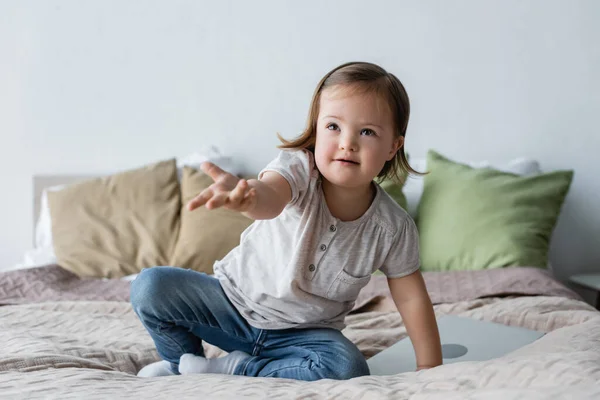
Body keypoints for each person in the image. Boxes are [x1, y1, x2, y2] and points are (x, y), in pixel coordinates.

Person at [131, 61, 442, 381]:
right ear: (316, 129)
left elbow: (411, 296)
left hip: (305, 336)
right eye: (333, 127)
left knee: (347, 366)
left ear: (393, 146)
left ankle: (236, 368)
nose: (347, 142)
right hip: (231, 308)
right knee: (150, 286)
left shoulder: (393, 228)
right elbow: (269, 198)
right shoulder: (298, 170)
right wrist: (249, 198)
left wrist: (430, 369)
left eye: (367, 131)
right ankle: (180, 363)